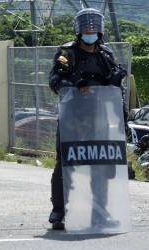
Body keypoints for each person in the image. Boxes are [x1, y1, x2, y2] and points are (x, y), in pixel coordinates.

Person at [48, 8, 127, 230]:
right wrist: (73, 85)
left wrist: (122, 116)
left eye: (94, 27)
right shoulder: (67, 53)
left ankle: (100, 213)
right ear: (79, 30)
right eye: (86, 27)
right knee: (65, 164)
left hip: (98, 118)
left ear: (100, 30)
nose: (90, 30)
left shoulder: (106, 55)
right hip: (71, 117)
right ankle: (59, 212)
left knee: (101, 166)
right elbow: (55, 80)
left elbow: (115, 87)